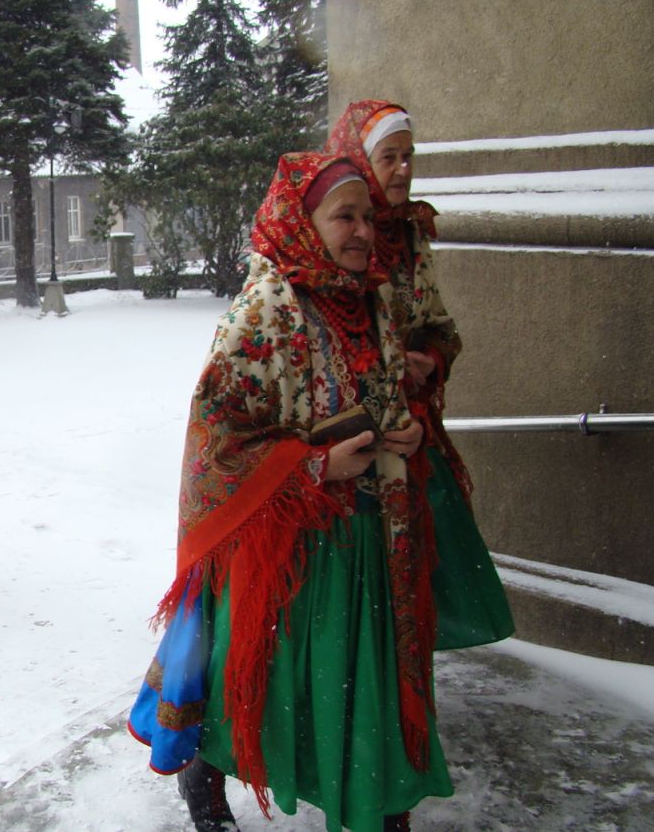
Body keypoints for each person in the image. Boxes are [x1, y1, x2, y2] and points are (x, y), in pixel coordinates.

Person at [129, 153, 452, 832]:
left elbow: (399, 394)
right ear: (304, 225)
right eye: (345, 216)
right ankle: (206, 767)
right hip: (290, 548)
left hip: (370, 539)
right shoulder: (263, 312)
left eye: (366, 216)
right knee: (262, 679)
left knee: (362, 685)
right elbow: (215, 442)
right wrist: (311, 467)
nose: (364, 230)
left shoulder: (375, 301)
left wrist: (410, 434)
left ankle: (378, 802)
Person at [325, 100, 513, 651]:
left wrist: (429, 359)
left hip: (408, 424)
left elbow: (438, 324)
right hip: (352, 433)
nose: (404, 169)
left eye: (409, 156)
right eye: (390, 157)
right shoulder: (329, 238)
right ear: (359, 159)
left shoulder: (411, 235)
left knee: (423, 566)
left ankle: (404, 671)